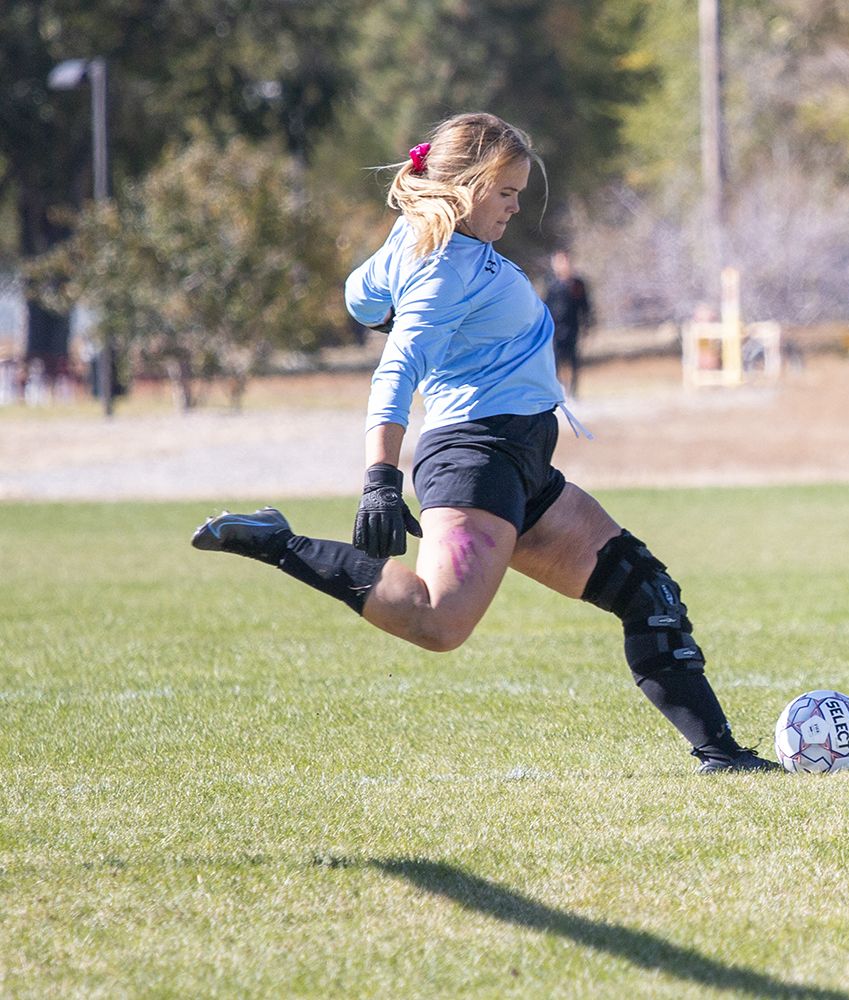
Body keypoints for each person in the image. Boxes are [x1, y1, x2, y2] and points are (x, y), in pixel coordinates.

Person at [191, 113, 775, 773]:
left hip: (520, 462)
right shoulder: (442, 272)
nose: (516, 205)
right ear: (464, 185)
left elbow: (359, 297)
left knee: (647, 593)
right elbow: (394, 374)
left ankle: (724, 756)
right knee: (439, 622)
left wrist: (397, 268)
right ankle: (278, 541)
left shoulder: (426, 246)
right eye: (505, 192)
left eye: (519, 191)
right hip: (476, 458)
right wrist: (380, 479)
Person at [544, 251, 591, 396]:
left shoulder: (577, 284)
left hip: (572, 326)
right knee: (555, 361)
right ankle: (559, 390)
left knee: (573, 360)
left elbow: (585, 305)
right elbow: (546, 306)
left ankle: (574, 391)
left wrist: (587, 324)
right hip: (555, 329)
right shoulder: (551, 284)